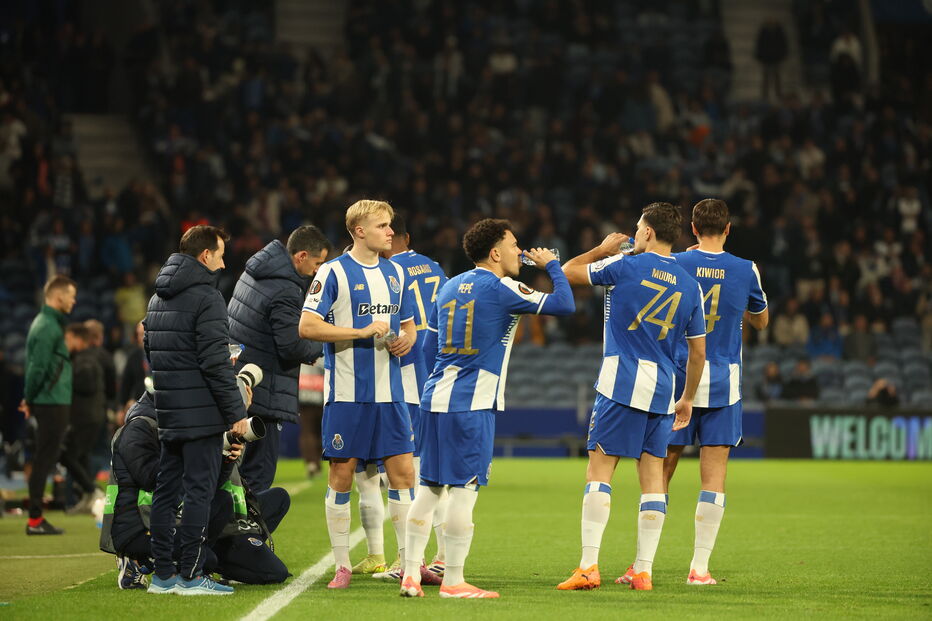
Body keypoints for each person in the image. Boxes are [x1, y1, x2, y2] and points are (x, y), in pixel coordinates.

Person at [400, 218, 575, 599]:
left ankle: (411, 574)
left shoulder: (447, 287)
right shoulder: (502, 288)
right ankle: (453, 581)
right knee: (464, 490)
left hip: (434, 399)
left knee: (429, 488)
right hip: (472, 403)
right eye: (513, 245)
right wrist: (551, 266)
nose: (519, 251)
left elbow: (428, 350)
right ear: (495, 252)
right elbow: (565, 304)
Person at [556, 202, 706, 592]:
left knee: (599, 472)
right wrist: (687, 398)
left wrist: (602, 250)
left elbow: (566, 272)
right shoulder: (692, 286)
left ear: (648, 233)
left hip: (621, 382)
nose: (635, 233)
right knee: (653, 477)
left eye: (638, 228)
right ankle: (643, 570)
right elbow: (698, 352)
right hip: (662, 390)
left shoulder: (624, 266)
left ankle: (589, 565)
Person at [644, 198, 768, 586]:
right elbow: (762, 321)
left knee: (661, 468)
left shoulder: (676, 263)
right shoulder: (747, 270)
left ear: (693, 229)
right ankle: (699, 569)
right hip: (724, 383)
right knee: (714, 475)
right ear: (728, 229)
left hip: (680, 379)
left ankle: (642, 564)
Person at [299, 200, 418, 590]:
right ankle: (341, 565)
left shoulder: (397, 272)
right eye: (382, 226)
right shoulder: (332, 273)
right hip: (348, 395)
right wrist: (361, 331)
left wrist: (404, 341)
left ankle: (406, 563)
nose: (390, 231)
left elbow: (410, 326)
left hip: (391, 394)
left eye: (390, 225)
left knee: (403, 475)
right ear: (358, 231)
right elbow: (308, 327)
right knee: (342, 475)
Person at [143, 225, 249, 595]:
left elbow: (151, 352)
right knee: (199, 492)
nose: (223, 264)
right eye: (220, 255)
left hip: (169, 410)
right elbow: (215, 363)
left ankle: (162, 575)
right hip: (202, 413)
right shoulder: (207, 298)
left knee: (165, 492)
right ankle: (190, 576)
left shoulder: (157, 298)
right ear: (205, 255)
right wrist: (235, 410)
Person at [101, 389, 290, 590]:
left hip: (192, 517)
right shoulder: (140, 427)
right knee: (207, 560)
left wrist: (225, 458)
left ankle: (211, 554)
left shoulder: (196, 423)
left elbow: (211, 486)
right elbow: (152, 479)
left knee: (268, 504)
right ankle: (140, 559)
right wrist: (197, 456)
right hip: (142, 528)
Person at [352, 212, 450, 579]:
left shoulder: (389, 271)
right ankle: (422, 555)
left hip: (398, 378)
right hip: (430, 376)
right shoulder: (436, 269)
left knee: (392, 473)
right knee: (416, 470)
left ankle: (409, 558)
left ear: (399, 237)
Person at [228, 225, 331, 491]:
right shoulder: (286, 289)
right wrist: (328, 346)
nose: (319, 270)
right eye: (318, 263)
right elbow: (292, 346)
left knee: (232, 471)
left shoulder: (255, 272)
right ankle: (248, 533)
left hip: (240, 382)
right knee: (258, 476)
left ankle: (229, 529)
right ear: (301, 256)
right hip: (265, 389)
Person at [21, 275, 77, 535]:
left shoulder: (49, 324)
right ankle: (34, 520)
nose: (74, 300)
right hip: (50, 401)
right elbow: (38, 368)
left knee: (46, 458)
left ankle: (36, 518)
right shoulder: (47, 327)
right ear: (59, 297)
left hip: (52, 400)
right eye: (71, 295)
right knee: (44, 459)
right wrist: (29, 398)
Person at [62, 322, 107, 514]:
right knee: (81, 457)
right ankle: (89, 497)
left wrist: (66, 381)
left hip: (85, 418)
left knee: (66, 455)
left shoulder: (84, 360)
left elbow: (87, 383)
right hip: (89, 417)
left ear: (78, 340)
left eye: (68, 339)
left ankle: (93, 492)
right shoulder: (83, 358)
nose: (66, 343)